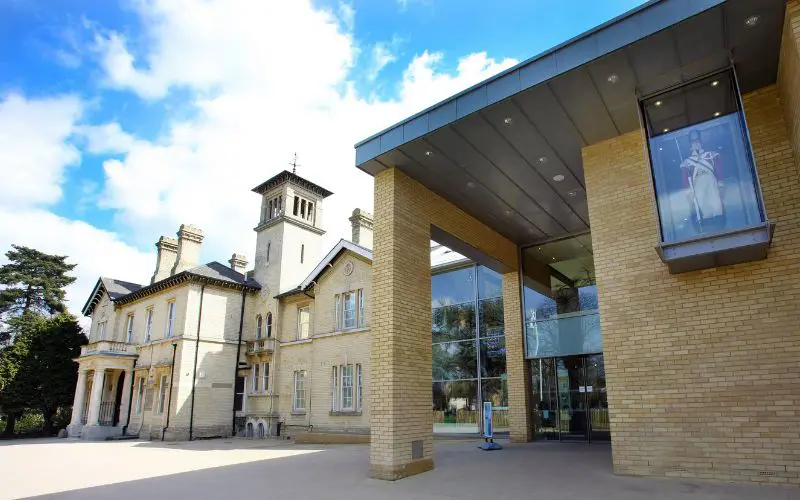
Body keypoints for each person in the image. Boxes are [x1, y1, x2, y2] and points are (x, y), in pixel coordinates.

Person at [681, 129, 725, 232]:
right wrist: (688, 192)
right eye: (693, 142)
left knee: (715, 200)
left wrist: (721, 183)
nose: (695, 144)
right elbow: (685, 179)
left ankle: (719, 221)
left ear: (701, 142)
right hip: (697, 183)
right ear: (690, 145)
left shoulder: (711, 155)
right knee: (702, 203)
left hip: (711, 180)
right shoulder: (687, 162)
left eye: (697, 141)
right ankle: (708, 222)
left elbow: (718, 169)